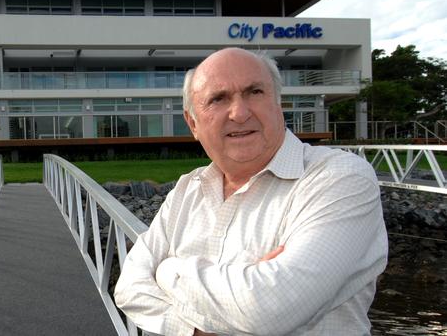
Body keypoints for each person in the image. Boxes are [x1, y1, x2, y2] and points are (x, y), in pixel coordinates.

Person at [114, 48, 388, 336]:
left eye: (254, 92)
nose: (240, 113)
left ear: (277, 104)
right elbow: (130, 287)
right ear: (193, 123)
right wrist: (195, 330)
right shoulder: (187, 190)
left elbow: (272, 311)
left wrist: (168, 271)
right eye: (218, 99)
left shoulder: (338, 178)